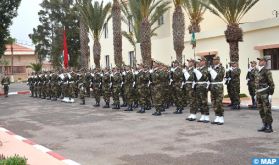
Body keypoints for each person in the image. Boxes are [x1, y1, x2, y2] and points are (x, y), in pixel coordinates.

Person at [256, 57, 275, 133]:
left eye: (261, 60)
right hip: (258, 93)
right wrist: (255, 92)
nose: (259, 62)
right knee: (261, 110)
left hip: (265, 93)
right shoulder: (257, 71)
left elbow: (271, 84)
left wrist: (270, 94)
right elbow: (256, 83)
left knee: (267, 110)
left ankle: (269, 126)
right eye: (259, 60)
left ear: (265, 62)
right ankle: (264, 124)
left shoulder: (267, 71)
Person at [208, 56, 225, 125]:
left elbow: (218, 76)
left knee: (219, 102)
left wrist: (211, 71)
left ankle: (221, 117)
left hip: (218, 86)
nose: (214, 61)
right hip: (212, 86)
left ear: (218, 60)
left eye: (215, 59)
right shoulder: (212, 68)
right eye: (213, 59)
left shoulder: (221, 68)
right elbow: (209, 78)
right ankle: (217, 116)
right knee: (213, 102)